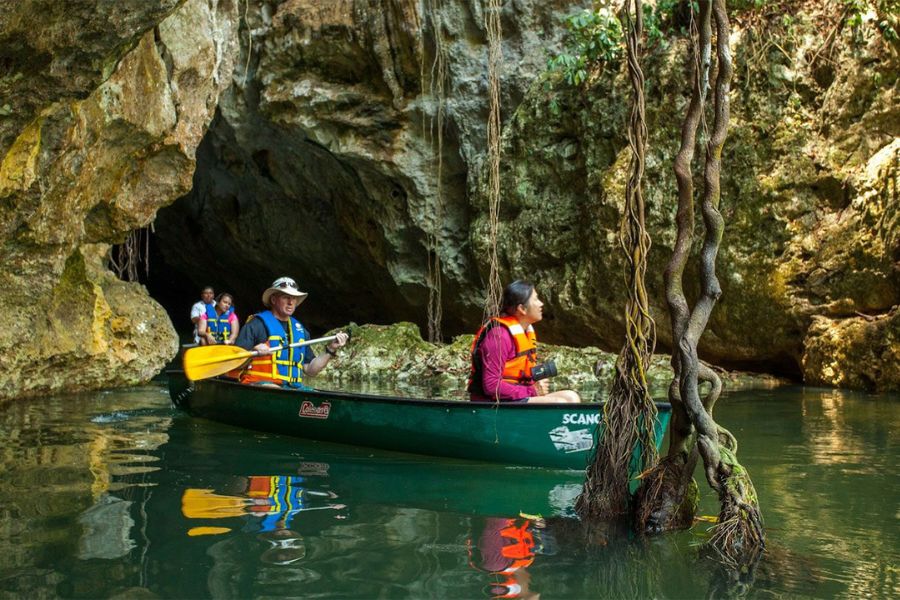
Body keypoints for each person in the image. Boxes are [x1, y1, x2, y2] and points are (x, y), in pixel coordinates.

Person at [468, 281, 580, 404]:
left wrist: (534, 384)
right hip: (492, 403)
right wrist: (531, 390)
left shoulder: (525, 332)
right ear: (522, 309)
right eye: (536, 299)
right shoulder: (499, 337)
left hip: (514, 398)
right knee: (559, 403)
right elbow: (491, 386)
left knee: (571, 397)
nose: (541, 304)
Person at [232, 277, 349, 387]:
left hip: (291, 388)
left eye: (293, 298)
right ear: (273, 299)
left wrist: (331, 349)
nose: (291, 302)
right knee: (274, 389)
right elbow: (235, 362)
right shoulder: (256, 325)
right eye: (285, 297)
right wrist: (253, 351)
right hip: (260, 384)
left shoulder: (301, 331)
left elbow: (310, 370)